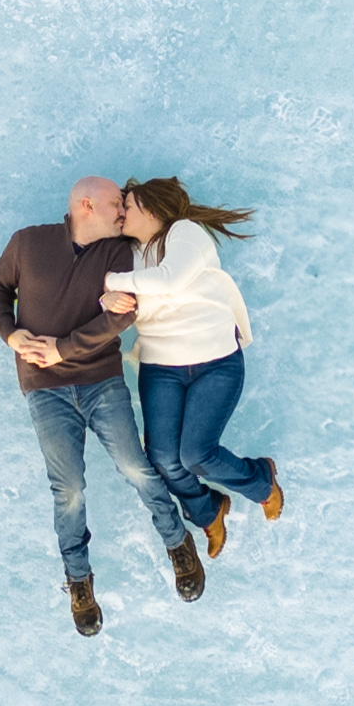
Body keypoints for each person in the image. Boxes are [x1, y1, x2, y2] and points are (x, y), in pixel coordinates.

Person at [0, 176, 202, 636]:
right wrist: (11, 333)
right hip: (44, 389)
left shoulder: (120, 255)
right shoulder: (28, 243)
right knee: (70, 490)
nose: (123, 212)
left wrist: (64, 348)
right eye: (116, 205)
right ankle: (78, 580)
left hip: (101, 381)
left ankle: (178, 542)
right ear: (87, 205)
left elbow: (121, 315)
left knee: (136, 468)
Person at [101, 177, 284, 561]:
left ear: (151, 209)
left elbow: (171, 279)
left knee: (196, 455)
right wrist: (107, 295)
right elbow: (112, 299)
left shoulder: (185, 233)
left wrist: (112, 281)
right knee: (164, 459)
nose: (122, 215)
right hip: (161, 368)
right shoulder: (128, 254)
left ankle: (261, 480)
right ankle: (208, 510)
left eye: (128, 206)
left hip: (215, 362)